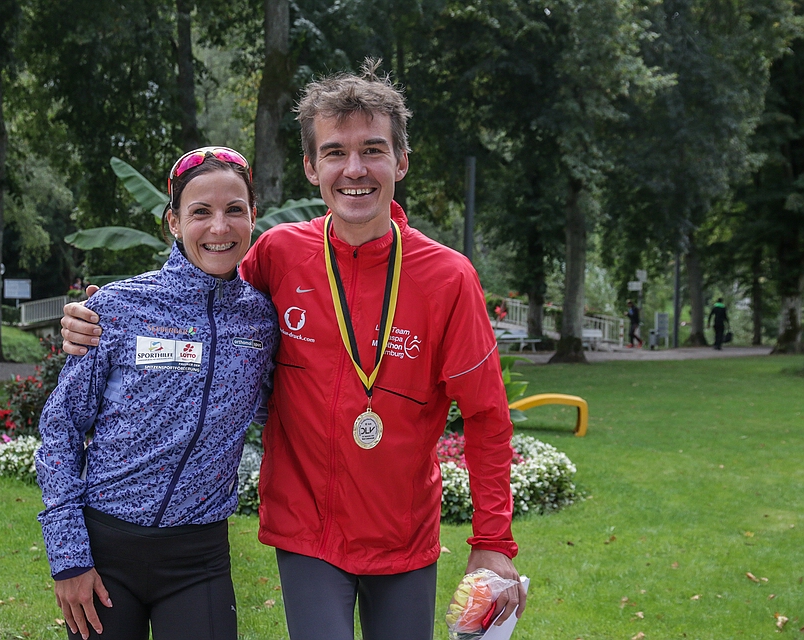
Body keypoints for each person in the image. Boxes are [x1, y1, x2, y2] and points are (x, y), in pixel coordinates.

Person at [61, 61, 525, 640]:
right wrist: (101, 318)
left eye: (373, 150)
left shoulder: (448, 278)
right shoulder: (278, 255)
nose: (354, 169)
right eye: (334, 152)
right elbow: (201, 295)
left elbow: (486, 417)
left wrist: (493, 541)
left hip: (403, 533)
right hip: (308, 531)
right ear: (311, 167)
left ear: (401, 161)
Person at [36, 147, 278, 640]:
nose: (219, 227)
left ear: (253, 216)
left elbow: (280, 410)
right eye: (200, 212)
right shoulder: (118, 308)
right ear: (173, 221)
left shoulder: (260, 320)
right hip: (105, 551)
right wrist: (67, 557)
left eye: (234, 209)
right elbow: (61, 428)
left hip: (199, 559)